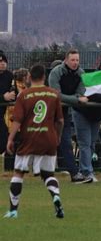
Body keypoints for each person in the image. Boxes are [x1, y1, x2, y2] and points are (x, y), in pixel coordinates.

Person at [3, 64, 65, 219]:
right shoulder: (54, 94)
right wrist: (57, 136)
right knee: (48, 174)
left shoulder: (24, 95)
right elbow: (60, 121)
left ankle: (13, 210)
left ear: (30, 76)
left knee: (18, 172)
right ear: (44, 77)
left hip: (28, 138)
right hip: (48, 138)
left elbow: (17, 120)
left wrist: (10, 138)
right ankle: (56, 196)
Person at [48, 49, 91, 184]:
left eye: (77, 60)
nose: (75, 63)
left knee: (65, 141)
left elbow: (80, 93)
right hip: (49, 110)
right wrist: (76, 100)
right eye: (72, 60)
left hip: (64, 112)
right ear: (66, 60)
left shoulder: (81, 74)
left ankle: (74, 173)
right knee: (42, 140)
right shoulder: (56, 72)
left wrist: (71, 99)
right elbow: (56, 95)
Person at [0, 52, 15, 155]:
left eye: (4, 61)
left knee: (4, 136)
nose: (3, 64)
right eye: (0, 61)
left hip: (4, 112)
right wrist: (3, 97)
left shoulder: (10, 76)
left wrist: (13, 95)